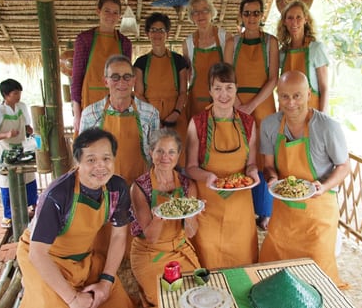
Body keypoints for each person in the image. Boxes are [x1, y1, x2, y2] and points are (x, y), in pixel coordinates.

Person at [16, 128, 135, 308]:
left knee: (118, 303)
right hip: (44, 259)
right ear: (77, 161)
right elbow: (37, 253)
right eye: (91, 160)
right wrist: (73, 299)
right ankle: (31, 284)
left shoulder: (117, 188)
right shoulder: (58, 195)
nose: (100, 166)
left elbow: (119, 236)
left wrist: (106, 281)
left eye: (106, 158)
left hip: (83, 260)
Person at [259, 70, 349, 289]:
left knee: (317, 277)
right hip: (284, 212)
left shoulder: (328, 127)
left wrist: (323, 186)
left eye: (297, 96)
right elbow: (269, 166)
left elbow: (344, 167)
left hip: (318, 212)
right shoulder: (270, 125)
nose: (291, 103)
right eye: (285, 96)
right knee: (272, 273)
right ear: (278, 97)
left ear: (309, 94)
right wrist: (272, 179)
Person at [185, 62, 259, 269]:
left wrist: (253, 173)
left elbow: (251, 163)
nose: (223, 94)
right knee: (209, 260)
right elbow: (190, 167)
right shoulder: (197, 123)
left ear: (236, 89)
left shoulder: (248, 123)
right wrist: (207, 176)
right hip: (208, 205)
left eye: (228, 88)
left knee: (242, 260)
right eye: (217, 88)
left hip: (240, 206)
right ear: (210, 91)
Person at [129, 128, 200, 307]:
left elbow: (191, 233)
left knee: (195, 295)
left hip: (180, 248)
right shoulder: (139, 187)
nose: (165, 157)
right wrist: (162, 213)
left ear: (178, 155)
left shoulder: (187, 185)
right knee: (164, 300)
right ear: (151, 152)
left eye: (171, 152)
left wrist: (192, 215)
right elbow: (151, 237)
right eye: (159, 151)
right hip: (149, 252)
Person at [228, 0, 279, 230]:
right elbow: (228, 75)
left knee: (264, 155)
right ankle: (241, 209)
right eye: (247, 13)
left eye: (256, 13)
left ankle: (265, 212)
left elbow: (273, 79)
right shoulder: (232, 43)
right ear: (241, 15)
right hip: (235, 102)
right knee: (239, 154)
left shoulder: (271, 42)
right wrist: (237, 101)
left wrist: (252, 105)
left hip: (264, 103)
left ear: (262, 15)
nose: (251, 17)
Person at [79, 54, 160, 184]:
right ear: (106, 81)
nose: (121, 82)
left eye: (127, 77)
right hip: (103, 186)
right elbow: (82, 157)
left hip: (141, 185)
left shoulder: (151, 114)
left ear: (134, 80)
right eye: (115, 77)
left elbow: (156, 155)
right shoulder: (90, 114)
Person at [72, 0, 133, 134]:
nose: (111, 16)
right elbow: (77, 76)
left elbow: (127, 79)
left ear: (119, 16)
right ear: (98, 11)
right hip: (89, 102)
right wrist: (77, 112)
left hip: (117, 103)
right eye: (107, 11)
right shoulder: (84, 39)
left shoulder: (125, 43)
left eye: (115, 12)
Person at [134, 12, 189, 166]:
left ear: (167, 34)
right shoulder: (141, 62)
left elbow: (184, 92)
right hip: (150, 117)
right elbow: (138, 94)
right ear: (147, 34)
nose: (157, 34)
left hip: (176, 116)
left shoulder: (179, 61)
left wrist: (176, 113)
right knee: (155, 158)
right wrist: (154, 118)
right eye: (153, 30)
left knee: (178, 158)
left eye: (161, 30)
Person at [0, 78, 38, 228]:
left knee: (28, 176)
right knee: (7, 181)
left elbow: (27, 125)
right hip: (6, 150)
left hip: (23, 148)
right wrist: (6, 135)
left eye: (19, 92)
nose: (18, 96)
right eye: (15, 93)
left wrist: (31, 130)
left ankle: (32, 206)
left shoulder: (22, 106)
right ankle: (8, 215)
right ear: (6, 95)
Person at [182, 0, 234, 121]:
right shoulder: (187, 43)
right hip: (196, 101)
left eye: (205, 10)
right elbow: (188, 76)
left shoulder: (225, 38)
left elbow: (231, 73)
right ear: (191, 17)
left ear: (211, 13)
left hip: (221, 100)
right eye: (195, 12)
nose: (200, 15)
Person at [277, 1, 330, 112]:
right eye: (290, 18)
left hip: (311, 114)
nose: (294, 22)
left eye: (298, 17)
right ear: (284, 22)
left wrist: (322, 117)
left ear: (306, 20)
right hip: (287, 116)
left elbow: (324, 88)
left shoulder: (316, 49)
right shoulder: (282, 53)